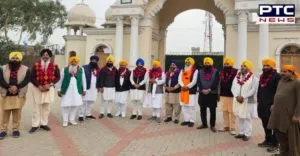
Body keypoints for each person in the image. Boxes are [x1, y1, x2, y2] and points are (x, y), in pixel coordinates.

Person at [268, 65, 300, 156]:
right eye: (282, 71)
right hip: (277, 114)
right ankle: (283, 153)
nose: (282, 73)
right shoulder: (281, 81)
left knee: (292, 138)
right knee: (280, 136)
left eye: (285, 71)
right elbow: (278, 94)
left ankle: (293, 153)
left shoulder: (297, 82)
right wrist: (274, 104)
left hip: (290, 116)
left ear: (291, 72)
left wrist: (297, 115)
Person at [0, 52, 30, 139]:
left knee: (17, 113)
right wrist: (9, 87)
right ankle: (3, 130)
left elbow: (26, 80)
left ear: (20, 59)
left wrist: (17, 87)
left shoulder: (26, 69)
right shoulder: (2, 68)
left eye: (17, 58)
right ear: (10, 59)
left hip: (19, 94)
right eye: (13, 58)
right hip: (6, 93)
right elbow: (0, 80)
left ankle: (15, 129)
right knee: (5, 113)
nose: (15, 60)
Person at [29, 49, 60, 133]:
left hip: (49, 88)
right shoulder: (36, 65)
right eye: (44, 54)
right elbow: (32, 77)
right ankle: (35, 125)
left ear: (50, 56)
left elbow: (58, 77)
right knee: (36, 107)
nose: (45, 56)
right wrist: (39, 85)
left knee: (46, 107)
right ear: (41, 55)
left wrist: (50, 84)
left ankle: (44, 124)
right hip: (37, 88)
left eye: (47, 55)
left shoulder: (54, 65)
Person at [257, 58, 281, 152]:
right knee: (265, 123)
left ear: (272, 66)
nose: (265, 67)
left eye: (268, 66)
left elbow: (279, 92)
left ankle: (275, 143)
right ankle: (268, 139)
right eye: (264, 66)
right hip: (262, 104)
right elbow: (260, 89)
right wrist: (258, 101)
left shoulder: (277, 76)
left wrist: (274, 104)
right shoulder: (262, 76)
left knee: (274, 124)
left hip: (272, 105)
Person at [231, 60, 258, 141]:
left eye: (244, 66)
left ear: (249, 68)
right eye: (242, 66)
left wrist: (243, 96)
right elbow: (233, 87)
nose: (242, 67)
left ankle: (247, 134)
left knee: (247, 117)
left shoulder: (253, 77)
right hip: (237, 100)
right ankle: (241, 132)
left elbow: (253, 90)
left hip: (247, 100)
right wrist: (236, 96)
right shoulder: (237, 76)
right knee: (240, 116)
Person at [56, 56, 86, 127]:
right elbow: (60, 80)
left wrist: (84, 89)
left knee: (75, 105)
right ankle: (65, 121)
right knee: (65, 106)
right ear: (70, 62)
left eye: (75, 62)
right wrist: (58, 89)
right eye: (72, 61)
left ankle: (72, 120)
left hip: (77, 90)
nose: (73, 63)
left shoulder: (81, 70)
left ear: (77, 62)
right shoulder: (64, 69)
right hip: (66, 90)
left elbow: (83, 80)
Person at [197, 57, 220, 132]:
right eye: (206, 63)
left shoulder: (216, 71)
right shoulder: (200, 71)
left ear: (211, 63)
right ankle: (204, 124)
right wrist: (202, 89)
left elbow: (216, 82)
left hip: (212, 94)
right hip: (202, 93)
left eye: (208, 63)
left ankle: (212, 125)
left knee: (212, 110)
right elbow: (199, 81)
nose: (207, 64)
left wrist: (209, 89)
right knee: (202, 109)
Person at [219, 57, 238, 135]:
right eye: (225, 64)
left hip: (232, 95)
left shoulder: (236, 72)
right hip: (223, 94)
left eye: (228, 64)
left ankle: (233, 128)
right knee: (224, 111)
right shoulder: (222, 72)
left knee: (232, 112)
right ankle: (226, 126)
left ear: (231, 64)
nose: (226, 65)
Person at [79, 55, 100, 121]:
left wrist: (99, 86)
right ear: (90, 60)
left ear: (97, 61)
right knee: (84, 101)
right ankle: (81, 115)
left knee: (91, 101)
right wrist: (82, 87)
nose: (94, 61)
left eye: (95, 60)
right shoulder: (84, 67)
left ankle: (88, 114)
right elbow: (81, 78)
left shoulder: (98, 69)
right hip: (87, 87)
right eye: (92, 60)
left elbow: (99, 78)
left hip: (94, 88)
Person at [179, 57, 198, 127]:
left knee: (191, 107)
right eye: (186, 62)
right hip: (183, 91)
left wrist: (187, 86)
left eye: (189, 62)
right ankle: (186, 120)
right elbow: (179, 79)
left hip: (191, 91)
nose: (187, 64)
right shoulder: (182, 70)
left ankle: (192, 121)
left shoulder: (195, 71)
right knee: (184, 106)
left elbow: (194, 81)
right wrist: (182, 86)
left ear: (192, 63)